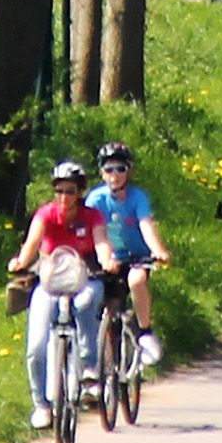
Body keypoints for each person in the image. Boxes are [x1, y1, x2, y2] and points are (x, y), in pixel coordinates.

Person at [5, 158, 112, 431]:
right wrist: (20, 261)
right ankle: (41, 404)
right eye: (60, 191)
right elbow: (31, 245)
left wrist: (107, 259)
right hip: (51, 281)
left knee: (87, 301)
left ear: (80, 193)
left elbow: (101, 243)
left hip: (85, 278)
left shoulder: (91, 217)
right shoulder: (46, 215)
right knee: (36, 346)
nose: (64, 197)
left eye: (71, 191)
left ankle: (89, 369)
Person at [87, 138, 168, 372]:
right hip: (107, 258)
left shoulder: (137, 197)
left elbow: (146, 225)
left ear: (129, 171)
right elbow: (93, 230)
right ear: (102, 173)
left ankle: (145, 332)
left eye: (120, 168)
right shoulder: (96, 199)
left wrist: (157, 250)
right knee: (94, 297)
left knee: (137, 280)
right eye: (109, 169)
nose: (115, 174)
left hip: (135, 257)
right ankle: (98, 356)